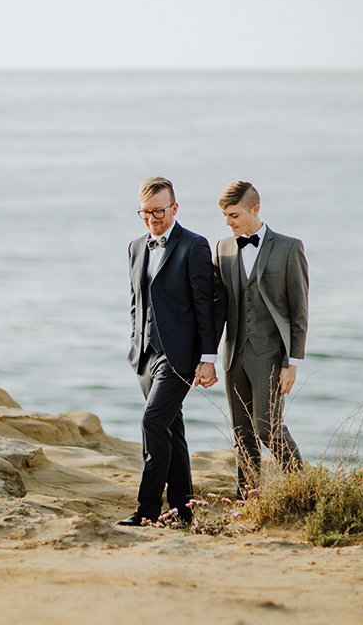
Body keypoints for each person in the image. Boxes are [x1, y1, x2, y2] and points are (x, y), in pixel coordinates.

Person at [116, 176, 217, 526]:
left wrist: (207, 359)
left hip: (179, 356)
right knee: (172, 429)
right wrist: (135, 343)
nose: (152, 219)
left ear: (174, 208)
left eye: (158, 211)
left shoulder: (194, 246)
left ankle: (147, 510)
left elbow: (206, 307)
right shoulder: (135, 247)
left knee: (152, 422)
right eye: (145, 212)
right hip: (145, 355)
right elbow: (136, 301)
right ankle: (183, 510)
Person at [213, 181, 308, 496]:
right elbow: (215, 304)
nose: (229, 222)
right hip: (233, 355)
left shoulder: (288, 248)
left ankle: (303, 489)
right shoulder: (223, 247)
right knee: (242, 432)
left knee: (267, 428)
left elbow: (299, 310)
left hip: (269, 354)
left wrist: (291, 363)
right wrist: (206, 355)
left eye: (234, 214)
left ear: (255, 209)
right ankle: (249, 496)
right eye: (226, 216)